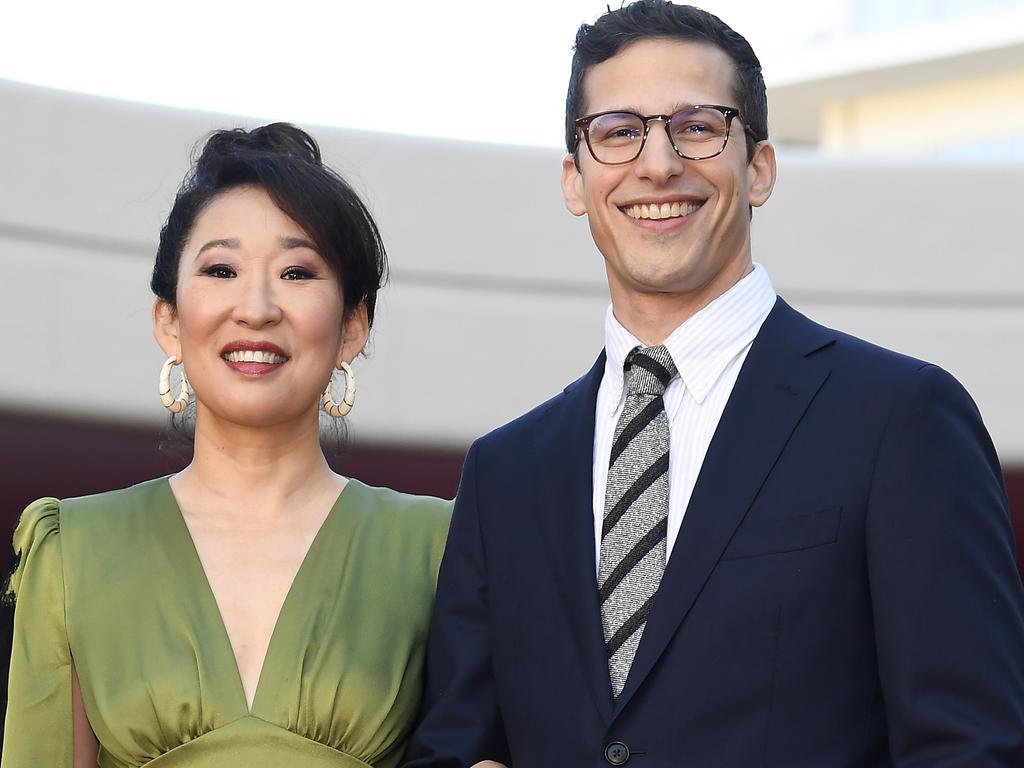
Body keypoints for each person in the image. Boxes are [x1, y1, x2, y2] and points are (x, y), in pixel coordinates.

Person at [404, 2, 1024, 766]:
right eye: (619, 131)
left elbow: (969, 747)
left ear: (758, 167)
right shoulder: (504, 474)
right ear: (575, 178)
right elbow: (452, 747)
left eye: (697, 126)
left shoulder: (901, 420)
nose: (657, 164)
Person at [3, 123, 451, 767]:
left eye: (297, 272)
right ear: (170, 321)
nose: (257, 306)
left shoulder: (439, 547)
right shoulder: (73, 552)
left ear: (353, 326)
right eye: (221, 269)